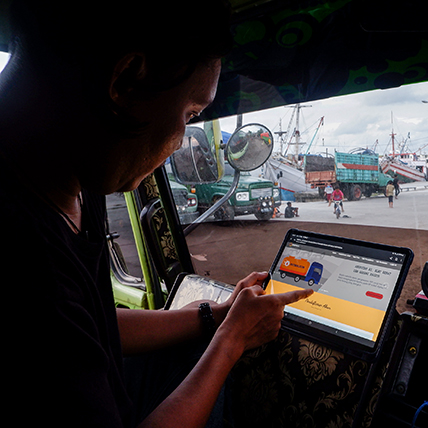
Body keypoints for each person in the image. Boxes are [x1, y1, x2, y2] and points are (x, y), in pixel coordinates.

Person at [1, 2, 313, 427]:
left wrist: (214, 318)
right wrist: (231, 341)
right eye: (189, 115)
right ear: (126, 81)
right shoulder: (27, 267)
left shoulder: (74, 180)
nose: (181, 140)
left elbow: (90, 326)